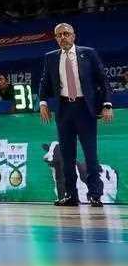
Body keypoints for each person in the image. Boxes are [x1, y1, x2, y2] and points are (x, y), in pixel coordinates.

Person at [39, 22, 113, 207]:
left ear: (73, 36)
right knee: (66, 156)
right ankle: (70, 195)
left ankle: (95, 194)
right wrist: (43, 102)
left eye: (66, 33)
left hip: (85, 109)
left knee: (90, 154)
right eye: (59, 35)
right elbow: (45, 82)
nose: (63, 37)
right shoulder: (50, 57)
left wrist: (107, 104)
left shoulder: (88, 53)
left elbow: (102, 80)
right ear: (56, 39)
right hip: (64, 110)